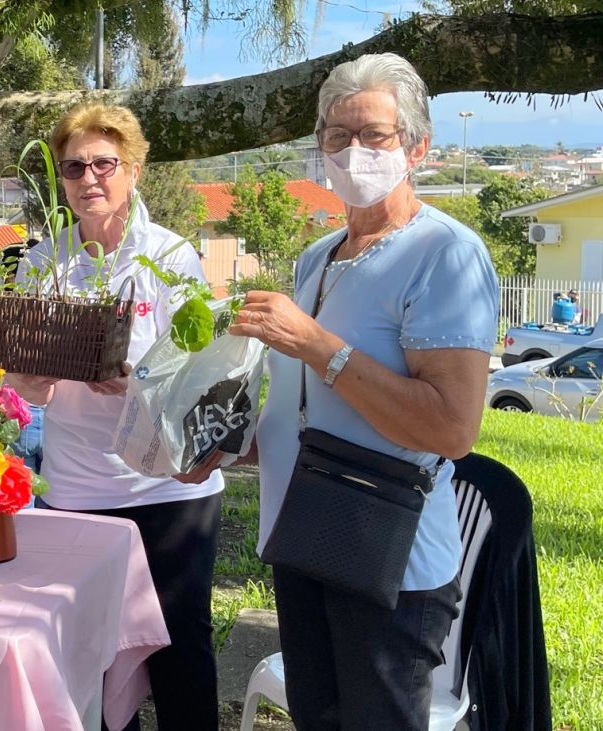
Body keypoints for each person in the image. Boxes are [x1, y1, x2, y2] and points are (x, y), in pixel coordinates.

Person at [227, 53, 499, 729]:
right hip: (303, 538)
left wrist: (318, 346)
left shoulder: (445, 254)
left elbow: (451, 429)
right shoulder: (316, 257)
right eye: (336, 136)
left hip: (389, 560)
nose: (352, 150)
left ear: (417, 146)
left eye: (373, 134)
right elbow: (311, 408)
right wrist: (233, 443)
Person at [9, 102, 225, 731]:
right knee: (95, 659)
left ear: (133, 170)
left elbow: (200, 376)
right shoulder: (40, 262)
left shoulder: (170, 257)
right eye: (74, 167)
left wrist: (137, 387)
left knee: (180, 649)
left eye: (104, 163)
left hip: (166, 488)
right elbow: (26, 391)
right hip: (78, 490)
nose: (89, 178)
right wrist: (33, 379)